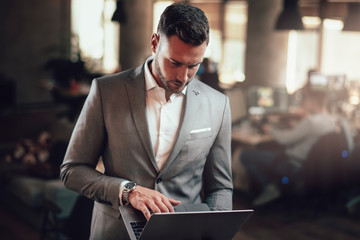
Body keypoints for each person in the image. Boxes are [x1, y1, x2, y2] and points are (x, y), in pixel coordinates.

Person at [60, 3, 233, 240]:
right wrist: (127, 191)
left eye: (194, 65)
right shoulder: (106, 91)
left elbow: (220, 187)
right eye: (174, 62)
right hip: (115, 233)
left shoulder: (218, 104)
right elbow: (72, 171)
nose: (183, 77)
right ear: (154, 43)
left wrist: (216, 230)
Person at [241, 91, 337, 206]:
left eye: (306, 101)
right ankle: (278, 185)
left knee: (245, 155)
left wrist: (269, 129)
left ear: (312, 103)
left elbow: (285, 140)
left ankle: (270, 188)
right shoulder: (330, 120)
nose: (304, 103)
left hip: (292, 163)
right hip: (310, 164)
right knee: (270, 150)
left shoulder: (310, 121)